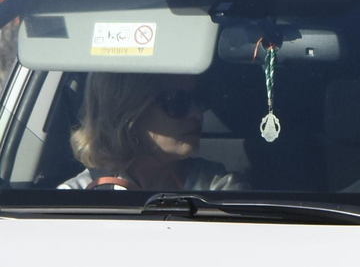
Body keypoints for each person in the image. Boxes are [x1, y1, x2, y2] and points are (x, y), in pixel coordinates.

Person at [62, 72, 245, 192]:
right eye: (177, 102)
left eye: (200, 98)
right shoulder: (75, 198)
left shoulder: (219, 190)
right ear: (129, 114)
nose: (197, 113)